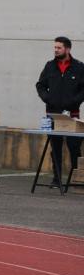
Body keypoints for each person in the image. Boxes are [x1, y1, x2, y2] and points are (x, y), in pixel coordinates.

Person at [36, 36, 84, 188]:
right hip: (53, 113)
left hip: (72, 114)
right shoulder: (50, 66)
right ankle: (57, 179)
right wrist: (47, 98)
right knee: (55, 147)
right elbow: (40, 85)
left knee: (74, 146)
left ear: (68, 49)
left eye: (59, 48)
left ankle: (77, 179)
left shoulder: (79, 67)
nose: (56, 50)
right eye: (55, 48)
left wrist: (75, 101)